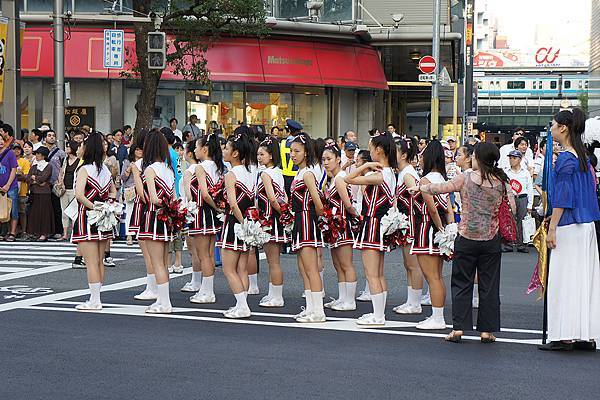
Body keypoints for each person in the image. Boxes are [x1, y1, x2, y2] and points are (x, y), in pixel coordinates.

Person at [409, 142, 515, 343]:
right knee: (489, 285)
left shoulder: (465, 178)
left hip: (466, 237)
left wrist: (420, 187)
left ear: (479, 158)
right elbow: (513, 209)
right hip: (491, 238)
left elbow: (441, 188)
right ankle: (487, 330)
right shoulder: (502, 182)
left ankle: (458, 328)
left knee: (461, 283)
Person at [540, 108, 600, 351]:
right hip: (587, 225)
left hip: (569, 224)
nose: (552, 129)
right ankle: (585, 334)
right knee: (585, 281)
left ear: (563, 127)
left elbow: (563, 197)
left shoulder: (566, 157)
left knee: (564, 280)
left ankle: (564, 335)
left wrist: (552, 227)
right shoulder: (583, 156)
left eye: (553, 125)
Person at [346, 131, 397, 326]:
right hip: (380, 225)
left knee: (372, 273)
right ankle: (379, 312)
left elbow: (348, 179)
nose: (368, 152)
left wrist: (365, 165)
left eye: (370, 148)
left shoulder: (379, 175)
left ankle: (378, 315)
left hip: (373, 224)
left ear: (379, 150)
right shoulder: (390, 172)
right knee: (379, 272)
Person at [410, 139, 454, 330]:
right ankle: (437, 316)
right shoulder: (443, 179)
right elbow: (449, 210)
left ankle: (438, 319)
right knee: (437, 276)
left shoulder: (426, 180)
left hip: (428, 230)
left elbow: (433, 210)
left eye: (422, 154)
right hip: (439, 229)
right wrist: (448, 229)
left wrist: (441, 231)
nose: (419, 158)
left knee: (432, 276)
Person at [72, 133, 117, 310]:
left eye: (81, 145)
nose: (78, 148)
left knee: (91, 262)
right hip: (103, 219)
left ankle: (94, 300)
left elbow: (79, 195)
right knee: (99, 260)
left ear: (88, 148)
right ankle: (97, 297)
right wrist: (106, 205)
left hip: (87, 218)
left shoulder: (84, 169)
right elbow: (113, 192)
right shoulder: (105, 169)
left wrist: (94, 206)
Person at [217, 132, 256, 318]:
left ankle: (242, 306)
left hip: (235, 223)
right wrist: (249, 225)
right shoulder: (250, 172)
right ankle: (243, 304)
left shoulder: (231, 174)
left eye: (226, 148)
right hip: (247, 220)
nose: (223, 150)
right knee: (242, 268)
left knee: (228, 268)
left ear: (235, 153)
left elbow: (232, 203)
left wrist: (242, 224)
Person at [137, 130, 176, 314]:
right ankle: (162, 299)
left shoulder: (150, 169)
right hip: (167, 218)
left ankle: (164, 302)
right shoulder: (168, 169)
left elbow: (152, 198)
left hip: (153, 216)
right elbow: (174, 197)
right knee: (164, 261)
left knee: (157, 262)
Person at [289, 133, 326, 322]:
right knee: (304, 268)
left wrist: (322, 220)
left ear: (306, 152)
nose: (292, 155)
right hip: (300, 221)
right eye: (291, 151)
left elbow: (319, 204)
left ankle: (318, 311)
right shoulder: (301, 172)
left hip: (307, 221)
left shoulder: (309, 173)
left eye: (297, 151)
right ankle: (311, 307)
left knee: (311, 269)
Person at [185, 133, 224, 303]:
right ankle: (206, 289)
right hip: (211, 214)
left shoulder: (201, 167)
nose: (194, 150)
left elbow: (205, 194)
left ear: (205, 149)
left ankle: (207, 292)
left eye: (196, 147)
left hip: (202, 212)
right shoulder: (217, 166)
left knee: (204, 255)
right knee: (208, 253)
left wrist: (215, 207)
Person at [322, 143, 358, 311]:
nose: (326, 162)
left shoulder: (339, 178)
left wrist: (356, 217)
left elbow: (348, 204)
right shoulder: (332, 178)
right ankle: (342, 297)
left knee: (346, 263)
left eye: (329, 159)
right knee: (338, 264)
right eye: (323, 159)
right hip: (334, 226)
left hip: (342, 224)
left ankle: (350, 300)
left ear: (338, 159)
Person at [392, 137, 424, 315]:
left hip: (411, 222)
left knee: (413, 265)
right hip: (406, 222)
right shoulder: (403, 172)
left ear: (404, 155)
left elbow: (417, 195)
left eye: (395, 152)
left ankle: (415, 303)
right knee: (408, 264)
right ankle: (411, 300)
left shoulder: (408, 173)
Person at [256, 136, 289, 307]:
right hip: (275, 219)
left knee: (273, 261)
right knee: (272, 260)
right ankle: (273, 293)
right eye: (258, 154)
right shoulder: (277, 171)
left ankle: (277, 296)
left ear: (271, 155)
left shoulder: (266, 173)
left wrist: (282, 213)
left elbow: (273, 199)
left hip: (271, 220)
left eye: (262, 154)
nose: (259, 157)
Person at [503, 150, 533, 253]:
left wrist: (530, 204)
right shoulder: (506, 172)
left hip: (522, 198)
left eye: (514, 158)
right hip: (510, 198)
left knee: (522, 221)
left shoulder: (525, 173)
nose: (511, 160)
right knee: (509, 220)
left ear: (520, 160)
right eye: (510, 158)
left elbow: (530, 189)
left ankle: (521, 244)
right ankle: (509, 243)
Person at [26, 146, 55, 241]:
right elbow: (28, 179)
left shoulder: (48, 166)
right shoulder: (34, 166)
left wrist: (36, 179)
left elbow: (44, 178)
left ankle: (44, 233)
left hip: (45, 193)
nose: (37, 156)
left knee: (44, 213)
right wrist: (38, 181)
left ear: (43, 156)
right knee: (35, 213)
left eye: (38, 154)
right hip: (35, 192)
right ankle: (36, 233)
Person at [56, 141, 81, 241]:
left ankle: (74, 233)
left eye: (68, 147)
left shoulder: (79, 161)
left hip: (74, 189)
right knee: (64, 212)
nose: (66, 148)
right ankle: (65, 233)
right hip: (65, 189)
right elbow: (61, 172)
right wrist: (60, 182)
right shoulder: (65, 160)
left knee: (74, 212)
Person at [44, 130, 66, 239]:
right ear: (45, 138)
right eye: (49, 135)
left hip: (55, 184)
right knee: (46, 209)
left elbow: (63, 167)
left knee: (57, 208)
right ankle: (47, 230)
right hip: (43, 183)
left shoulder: (60, 152)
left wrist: (61, 181)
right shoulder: (41, 151)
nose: (51, 137)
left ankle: (59, 230)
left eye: (53, 136)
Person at [121, 141, 142, 246]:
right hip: (130, 189)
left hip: (142, 190)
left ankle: (139, 235)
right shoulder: (127, 162)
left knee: (140, 212)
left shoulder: (145, 162)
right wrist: (129, 169)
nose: (139, 152)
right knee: (129, 212)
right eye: (137, 149)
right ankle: (129, 235)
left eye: (141, 149)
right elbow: (123, 178)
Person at [0, 134, 18, 241]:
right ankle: (3, 232)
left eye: (2, 139)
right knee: (1, 209)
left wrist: (7, 185)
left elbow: (14, 169)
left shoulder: (10, 153)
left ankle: (13, 232)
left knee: (13, 209)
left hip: (11, 186)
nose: (0, 142)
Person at [13, 144, 31, 237]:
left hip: (22, 190)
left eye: (18, 149)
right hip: (10, 189)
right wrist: (18, 175)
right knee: (11, 211)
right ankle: (12, 231)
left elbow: (26, 176)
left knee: (22, 211)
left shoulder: (25, 161)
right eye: (14, 149)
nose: (16, 151)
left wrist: (13, 176)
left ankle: (24, 231)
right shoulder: (9, 160)